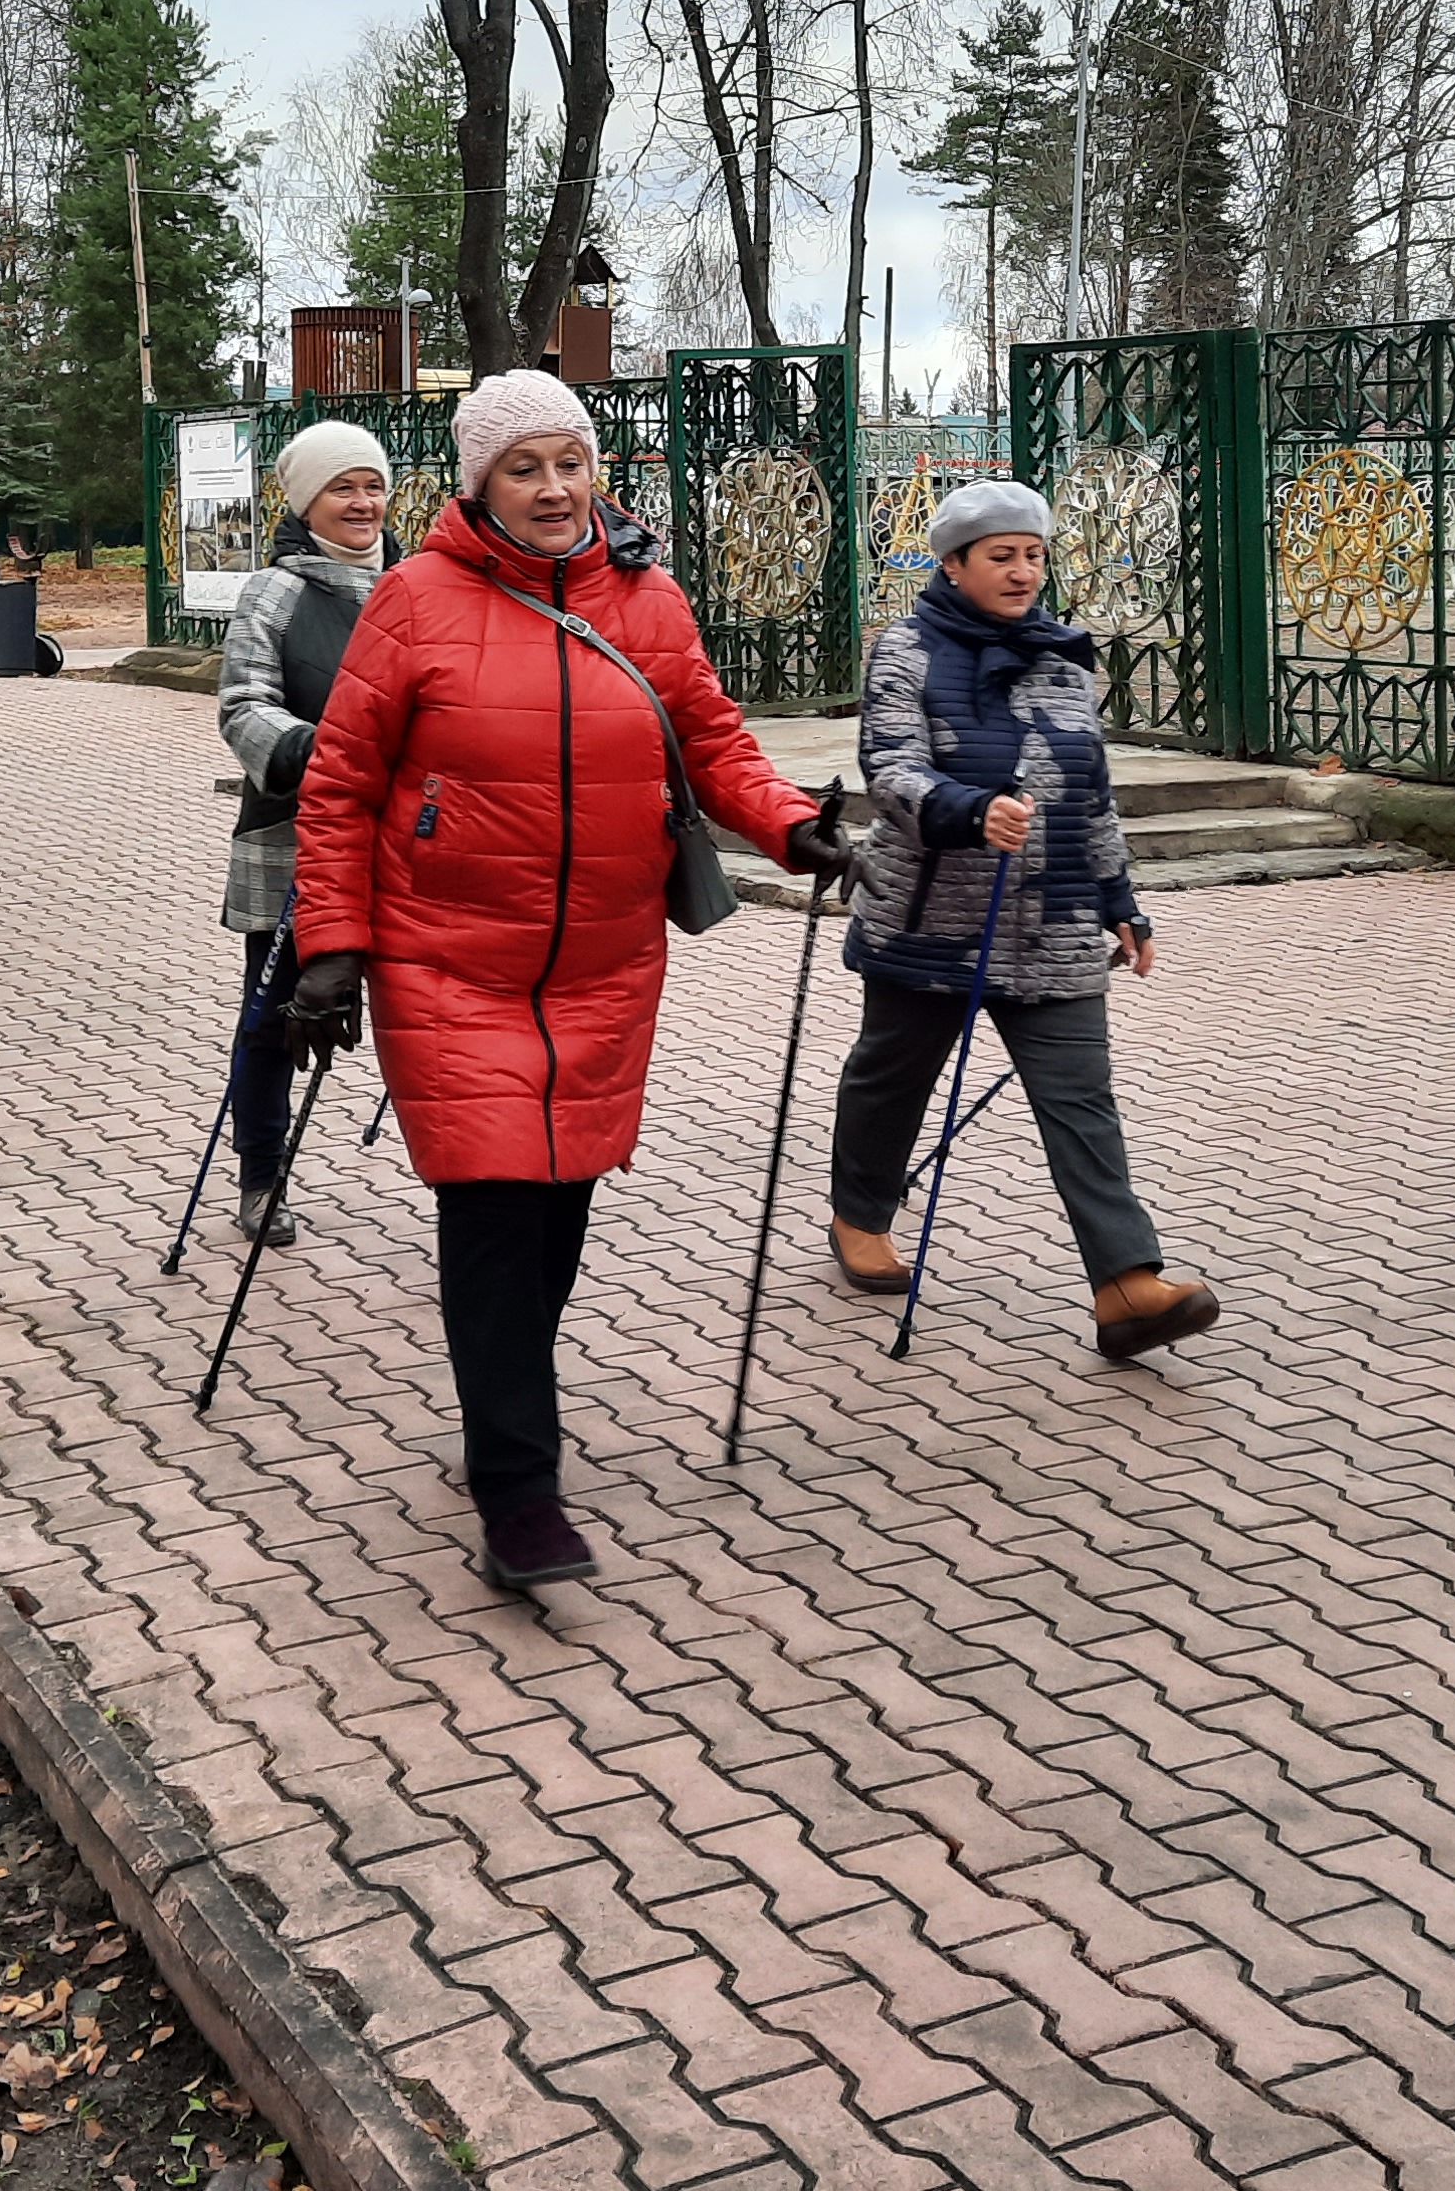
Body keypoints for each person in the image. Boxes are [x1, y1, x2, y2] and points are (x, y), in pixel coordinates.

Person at [286, 370, 855, 1589]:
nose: (552, 490)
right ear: (478, 483)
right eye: (523, 469)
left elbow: (709, 736)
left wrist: (790, 824)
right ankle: (517, 1489)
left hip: (602, 961)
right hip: (449, 958)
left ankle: (504, 1410)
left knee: (557, 1210)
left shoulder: (645, 599)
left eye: (569, 463)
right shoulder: (413, 602)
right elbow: (338, 786)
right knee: (493, 1208)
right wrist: (332, 945)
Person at [823, 481, 1220, 1363]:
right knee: (892, 1079)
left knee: (1081, 1102)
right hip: (932, 922)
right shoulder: (905, 650)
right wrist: (967, 809)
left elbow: (1093, 794)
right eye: (1000, 555)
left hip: (1057, 921)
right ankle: (859, 1214)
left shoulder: (1065, 658)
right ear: (952, 563)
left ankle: (1125, 1284)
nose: (1022, 570)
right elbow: (890, 768)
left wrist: (1122, 901)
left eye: (1033, 554)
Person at [212, 420, 395, 1245]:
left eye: (373, 485)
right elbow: (242, 708)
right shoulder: (274, 594)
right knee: (274, 1012)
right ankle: (261, 1176)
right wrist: (316, 747)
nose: (363, 503)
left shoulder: (420, 586)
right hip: (296, 838)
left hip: (404, 840)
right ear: (307, 501)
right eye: (342, 488)